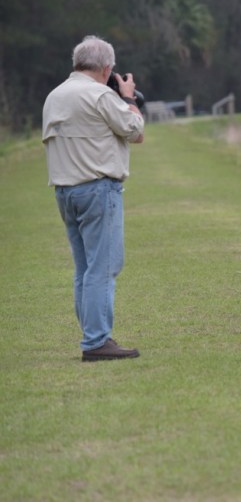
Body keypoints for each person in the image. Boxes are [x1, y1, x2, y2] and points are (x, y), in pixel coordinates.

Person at [42, 35, 145, 361]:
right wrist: (129, 99)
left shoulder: (54, 96)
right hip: (98, 189)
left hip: (65, 191)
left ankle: (93, 336)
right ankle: (97, 342)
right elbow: (135, 131)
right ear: (107, 68)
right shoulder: (100, 95)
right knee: (104, 267)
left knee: (84, 269)